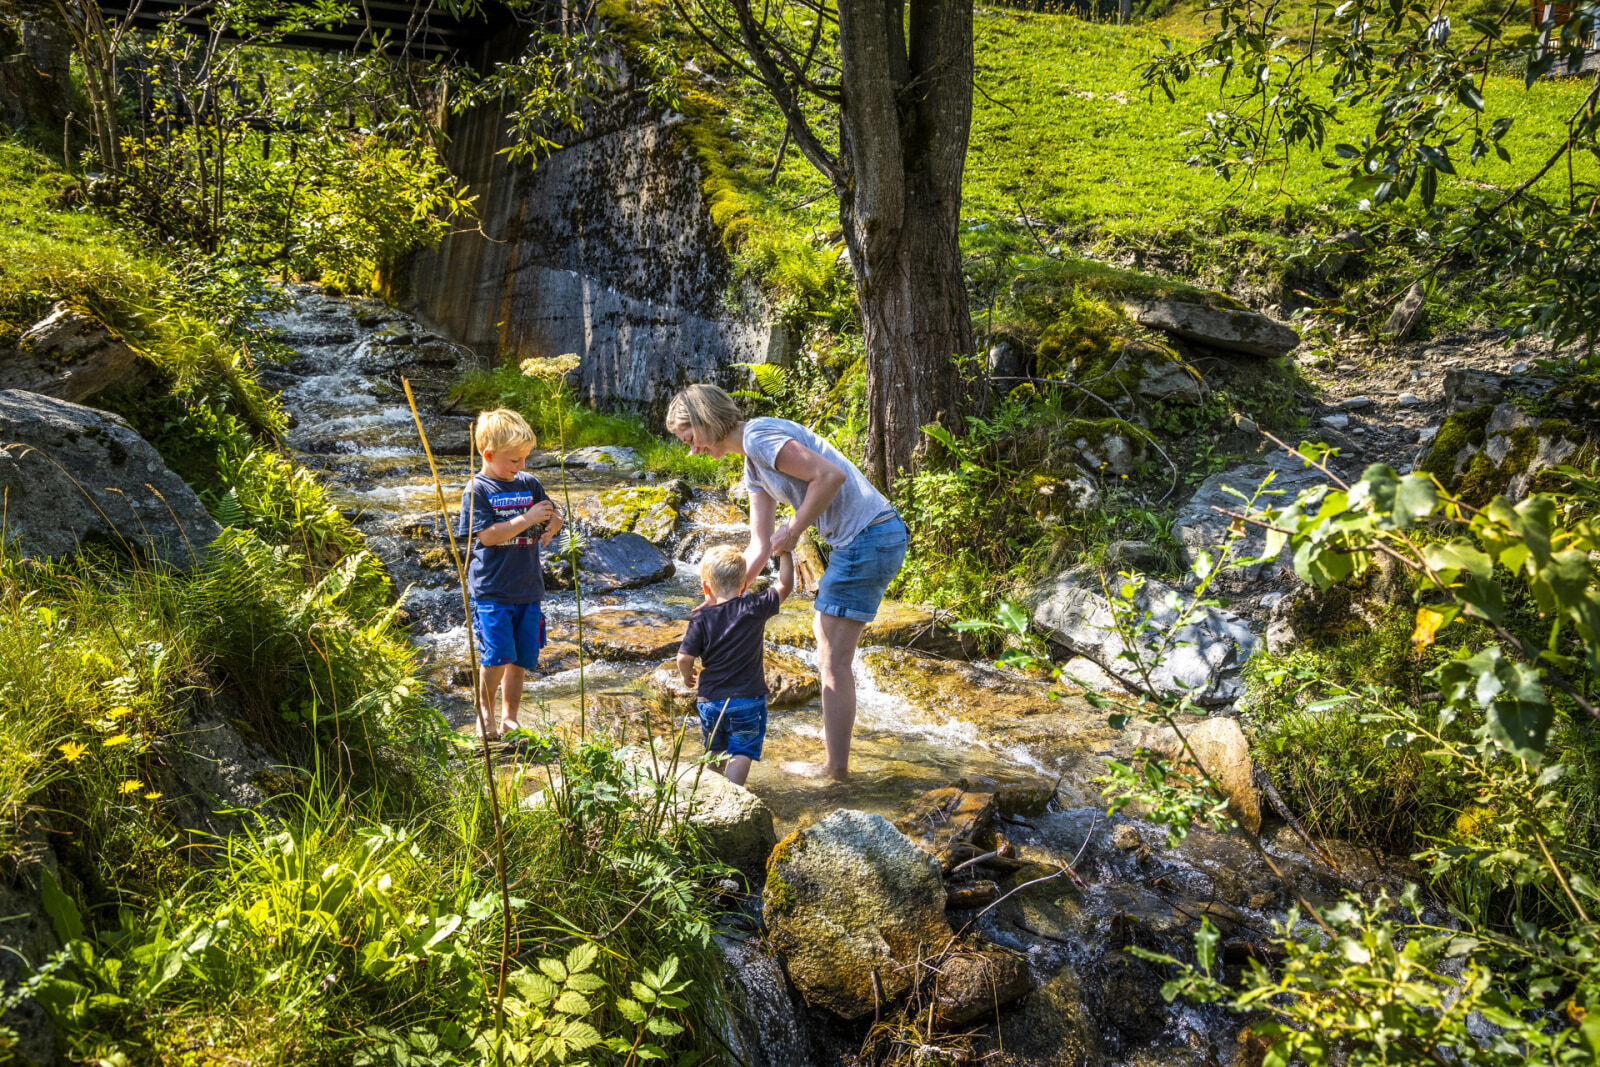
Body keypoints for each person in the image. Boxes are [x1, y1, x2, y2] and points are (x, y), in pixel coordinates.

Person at [665, 384, 908, 781]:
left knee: (833, 660)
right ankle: (837, 758)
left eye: (690, 439)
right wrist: (725, 599)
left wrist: (794, 530)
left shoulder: (759, 437)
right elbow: (759, 545)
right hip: (867, 538)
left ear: (707, 420)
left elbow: (830, 476)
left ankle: (835, 771)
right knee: (825, 638)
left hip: (868, 537)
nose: (692, 450)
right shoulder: (751, 464)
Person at [457, 408, 562, 740]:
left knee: (520, 658)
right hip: (493, 590)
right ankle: (484, 711)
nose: (521, 466)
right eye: (514, 460)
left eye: (524, 458)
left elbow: (552, 514)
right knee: (497, 656)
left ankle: (509, 716)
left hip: (528, 588)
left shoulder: (529, 483)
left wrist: (552, 526)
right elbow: (487, 536)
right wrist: (528, 520)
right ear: (489, 454)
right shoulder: (478, 489)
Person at [676, 544, 795, 786]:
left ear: (705, 587)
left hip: (710, 701)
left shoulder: (700, 618)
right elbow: (786, 585)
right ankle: (732, 793)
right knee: (742, 750)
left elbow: (684, 658)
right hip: (747, 700)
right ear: (744, 585)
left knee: (714, 750)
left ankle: (707, 793)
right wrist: (785, 552)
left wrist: (686, 677)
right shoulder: (754, 607)